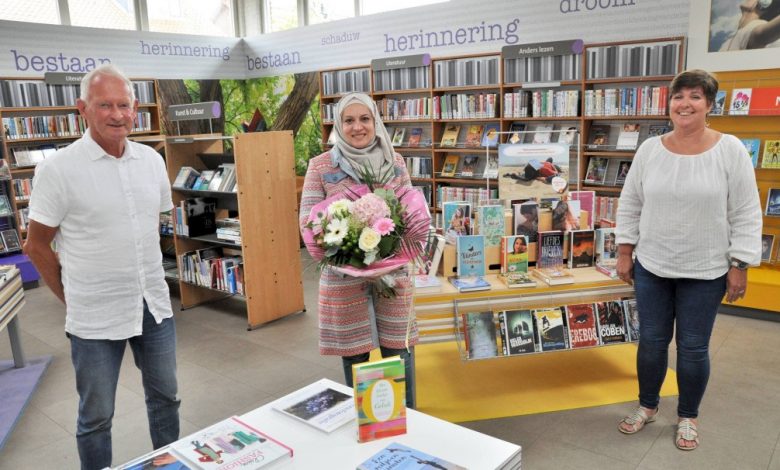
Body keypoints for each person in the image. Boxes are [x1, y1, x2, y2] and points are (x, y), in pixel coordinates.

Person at [23, 65, 179, 469]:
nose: (116, 114)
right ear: (83, 109)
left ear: (136, 109)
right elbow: (36, 245)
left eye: (124, 105)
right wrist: (71, 296)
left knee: (166, 399)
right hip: (94, 314)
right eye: (105, 105)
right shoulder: (58, 169)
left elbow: (152, 225)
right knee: (96, 418)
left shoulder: (151, 161)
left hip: (153, 306)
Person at [615, 69, 762, 451]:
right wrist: (625, 250)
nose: (685, 104)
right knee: (651, 342)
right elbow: (631, 202)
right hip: (652, 266)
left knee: (693, 347)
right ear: (669, 105)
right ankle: (647, 406)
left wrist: (740, 264)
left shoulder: (730, 150)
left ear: (709, 104)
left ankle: (687, 416)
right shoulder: (650, 150)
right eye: (679, 97)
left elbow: (746, 211)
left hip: (706, 270)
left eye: (695, 96)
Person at [299, 92, 427, 408]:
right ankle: (368, 423)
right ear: (339, 125)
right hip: (344, 281)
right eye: (349, 120)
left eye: (365, 119)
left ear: (375, 121)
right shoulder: (321, 166)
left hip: (393, 277)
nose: (358, 127)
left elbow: (412, 216)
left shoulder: (395, 162)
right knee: (356, 358)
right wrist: (351, 260)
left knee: (399, 353)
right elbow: (308, 224)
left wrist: (388, 258)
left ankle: (408, 422)